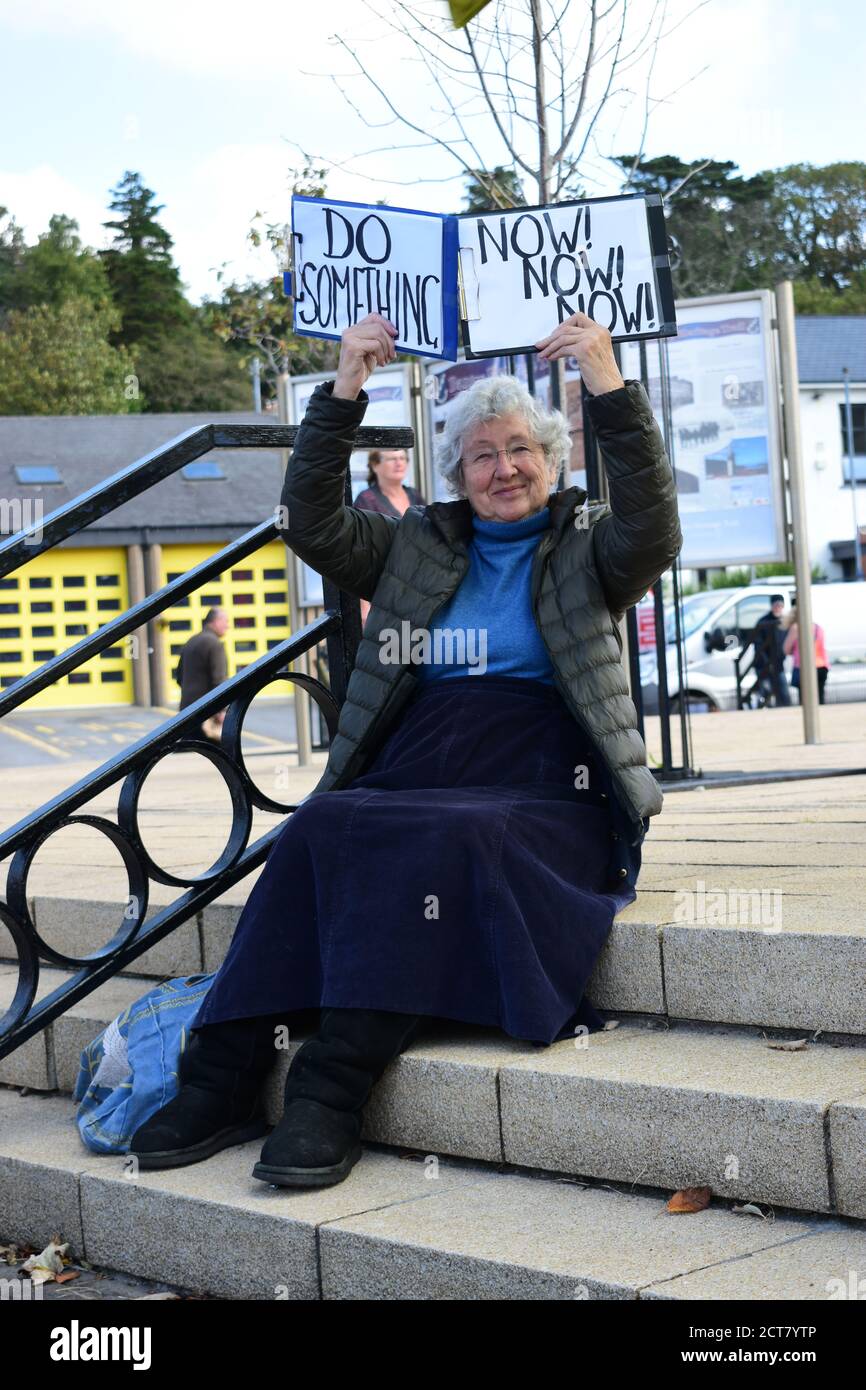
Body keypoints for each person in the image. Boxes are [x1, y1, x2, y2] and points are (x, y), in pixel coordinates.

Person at [130, 310, 683, 1191]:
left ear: (551, 461)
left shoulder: (588, 543)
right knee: (323, 824)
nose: (502, 469)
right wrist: (346, 383)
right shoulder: (418, 543)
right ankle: (221, 1074)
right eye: (480, 456)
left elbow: (654, 524)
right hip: (423, 756)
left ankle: (330, 1087)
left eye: (519, 451)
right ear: (457, 474)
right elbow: (309, 521)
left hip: (547, 775)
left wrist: (606, 381)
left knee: (454, 835)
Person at [354, 450, 426, 626]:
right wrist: (364, 606)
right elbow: (360, 554)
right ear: (375, 465)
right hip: (383, 591)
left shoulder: (415, 496)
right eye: (392, 459)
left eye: (402, 458)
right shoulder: (366, 500)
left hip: (419, 588)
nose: (399, 463)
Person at [175, 606, 230, 741]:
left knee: (189, 756)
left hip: (186, 712)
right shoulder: (214, 644)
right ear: (215, 621)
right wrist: (221, 711)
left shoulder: (192, 641)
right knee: (215, 756)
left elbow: (179, 677)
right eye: (225, 622)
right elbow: (219, 681)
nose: (228, 626)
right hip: (206, 715)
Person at [783, 599, 830, 704]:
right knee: (820, 700)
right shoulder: (818, 628)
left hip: (804, 667)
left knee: (805, 702)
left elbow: (786, 649)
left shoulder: (796, 628)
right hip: (821, 666)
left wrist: (794, 651)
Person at [752, 594, 791, 707]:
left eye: (780, 605)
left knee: (783, 694)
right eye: (775, 605)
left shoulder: (784, 621)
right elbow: (758, 645)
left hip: (778, 664)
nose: (778, 607)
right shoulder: (763, 622)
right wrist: (767, 663)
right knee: (765, 694)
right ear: (771, 606)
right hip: (763, 665)